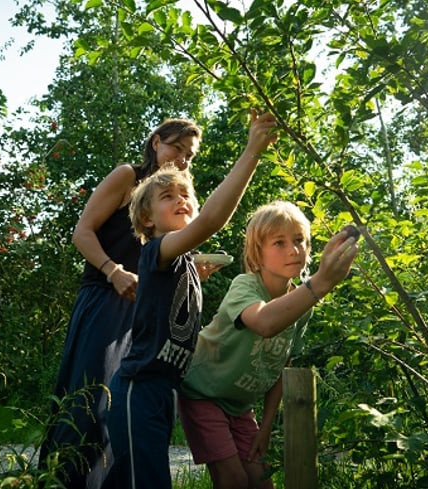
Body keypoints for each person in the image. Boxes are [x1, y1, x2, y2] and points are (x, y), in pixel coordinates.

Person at [104, 110, 279, 489]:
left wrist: (191, 276)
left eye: (185, 194)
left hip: (163, 391)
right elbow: (212, 220)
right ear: (148, 220)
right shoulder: (157, 250)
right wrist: (252, 152)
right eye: (167, 196)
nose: (180, 199)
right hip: (139, 387)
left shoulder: (184, 263)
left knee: (143, 478)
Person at [38, 118, 206, 489]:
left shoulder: (172, 202)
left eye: (189, 156)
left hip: (140, 313)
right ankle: (61, 482)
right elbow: (81, 232)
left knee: (122, 410)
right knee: (88, 400)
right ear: (156, 142)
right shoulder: (127, 177)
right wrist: (112, 270)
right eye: (176, 149)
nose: (181, 160)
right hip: (103, 298)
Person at [177, 201, 359, 489]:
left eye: (299, 240)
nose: (293, 250)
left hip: (240, 407)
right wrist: (321, 283)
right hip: (203, 394)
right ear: (256, 254)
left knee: (262, 482)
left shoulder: (301, 301)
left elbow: (280, 365)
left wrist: (265, 426)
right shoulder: (244, 286)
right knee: (233, 480)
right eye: (279, 242)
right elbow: (264, 323)